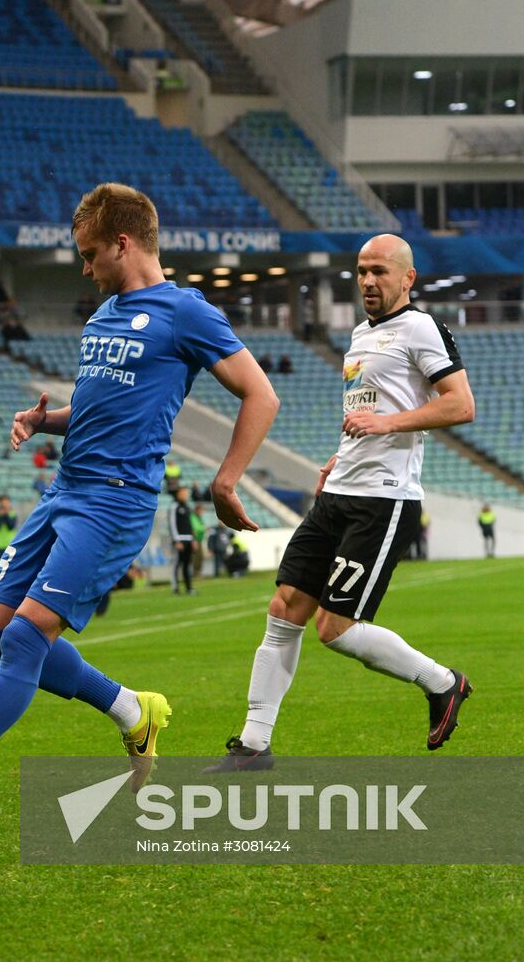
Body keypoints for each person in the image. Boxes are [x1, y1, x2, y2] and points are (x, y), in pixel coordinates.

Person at [0, 182, 278, 825]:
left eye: (89, 254)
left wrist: (226, 481)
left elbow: (261, 395)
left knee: (26, 638)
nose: (84, 270)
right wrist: (46, 419)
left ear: (123, 242)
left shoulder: (184, 312)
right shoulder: (104, 315)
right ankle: (132, 711)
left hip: (115, 503)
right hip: (64, 490)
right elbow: (97, 404)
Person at [207, 233, 477, 772]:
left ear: (408, 278)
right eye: (361, 271)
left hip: (383, 501)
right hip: (340, 491)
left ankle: (444, 683)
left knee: (335, 628)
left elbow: (460, 405)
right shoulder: (359, 334)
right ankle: (255, 745)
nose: (369, 282)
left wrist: (387, 423)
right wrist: (340, 455)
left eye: (380, 271)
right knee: (284, 608)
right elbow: (368, 410)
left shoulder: (422, 328)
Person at [170, 486, 195, 595]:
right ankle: (175, 588)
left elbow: (189, 524)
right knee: (177, 565)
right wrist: (176, 540)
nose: (185, 495)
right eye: (183, 493)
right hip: (179, 540)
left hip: (188, 539)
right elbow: (172, 524)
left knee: (187, 565)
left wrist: (193, 539)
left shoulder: (187, 507)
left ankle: (189, 588)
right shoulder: (174, 506)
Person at [190, 503, 208, 578]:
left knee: (200, 556)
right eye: (201, 510)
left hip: (199, 540)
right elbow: (195, 529)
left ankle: (198, 572)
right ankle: (195, 573)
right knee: (196, 557)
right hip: (195, 540)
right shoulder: (193, 517)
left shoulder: (198, 517)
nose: (202, 512)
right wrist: (203, 528)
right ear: (198, 510)